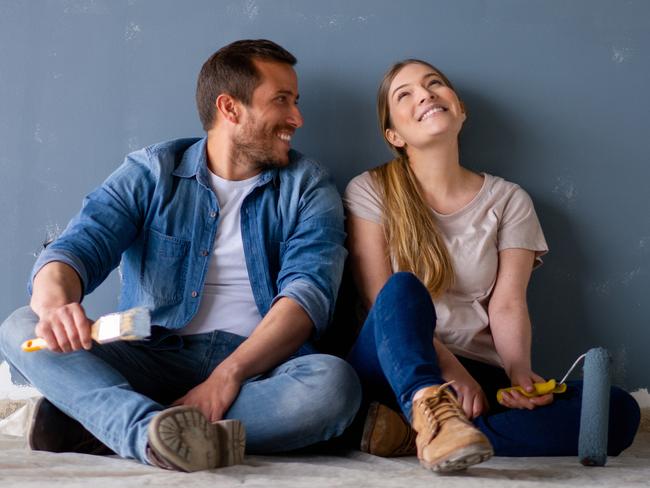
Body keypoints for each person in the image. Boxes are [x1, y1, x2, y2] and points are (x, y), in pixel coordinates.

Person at [0, 39, 361, 472]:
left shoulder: (309, 185)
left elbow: (308, 296)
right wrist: (55, 304)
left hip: (261, 368)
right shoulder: (152, 171)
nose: (297, 118)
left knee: (333, 387)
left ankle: (102, 425)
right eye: (281, 101)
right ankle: (148, 433)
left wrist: (227, 375)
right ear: (230, 108)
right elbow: (79, 245)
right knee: (22, 326)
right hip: (150, 354)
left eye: (295, 102)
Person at [343, 59, 640, 473]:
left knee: (617, 411)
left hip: (481, 377)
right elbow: (378, 297)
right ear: (393, 134)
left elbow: (507, 304)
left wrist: (519, 375)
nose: (425, 94)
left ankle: (416, 435)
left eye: (434, 85)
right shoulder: (370, 190)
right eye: (404, 94)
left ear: (459, 109)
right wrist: (447, 371)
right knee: (402, 288)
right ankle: (431, 414)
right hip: (397, 368)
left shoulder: (509, 200)